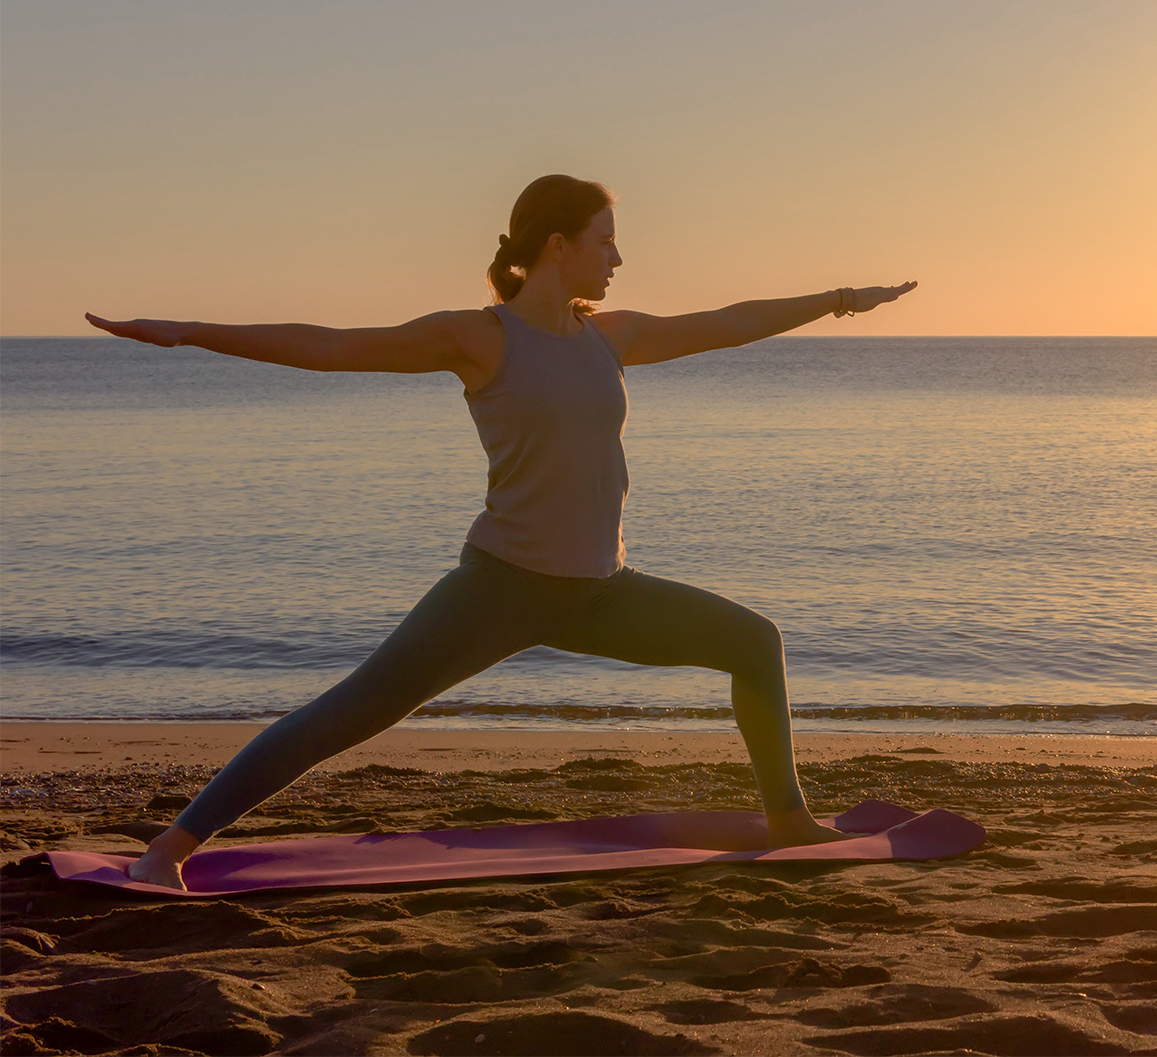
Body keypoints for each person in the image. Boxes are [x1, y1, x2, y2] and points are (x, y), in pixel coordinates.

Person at [86, 174, 917, 890]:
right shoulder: (480, 337)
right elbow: (332, 345)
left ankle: (789, 819)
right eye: (607, 241)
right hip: (501, 587)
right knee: (347, 714)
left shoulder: (610, 335)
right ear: (558, 244)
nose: (618, 258)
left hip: (602, 590)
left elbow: (733, 318)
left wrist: (840, 298)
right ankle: (168, 850)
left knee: (752, 640)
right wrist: (192, 330)